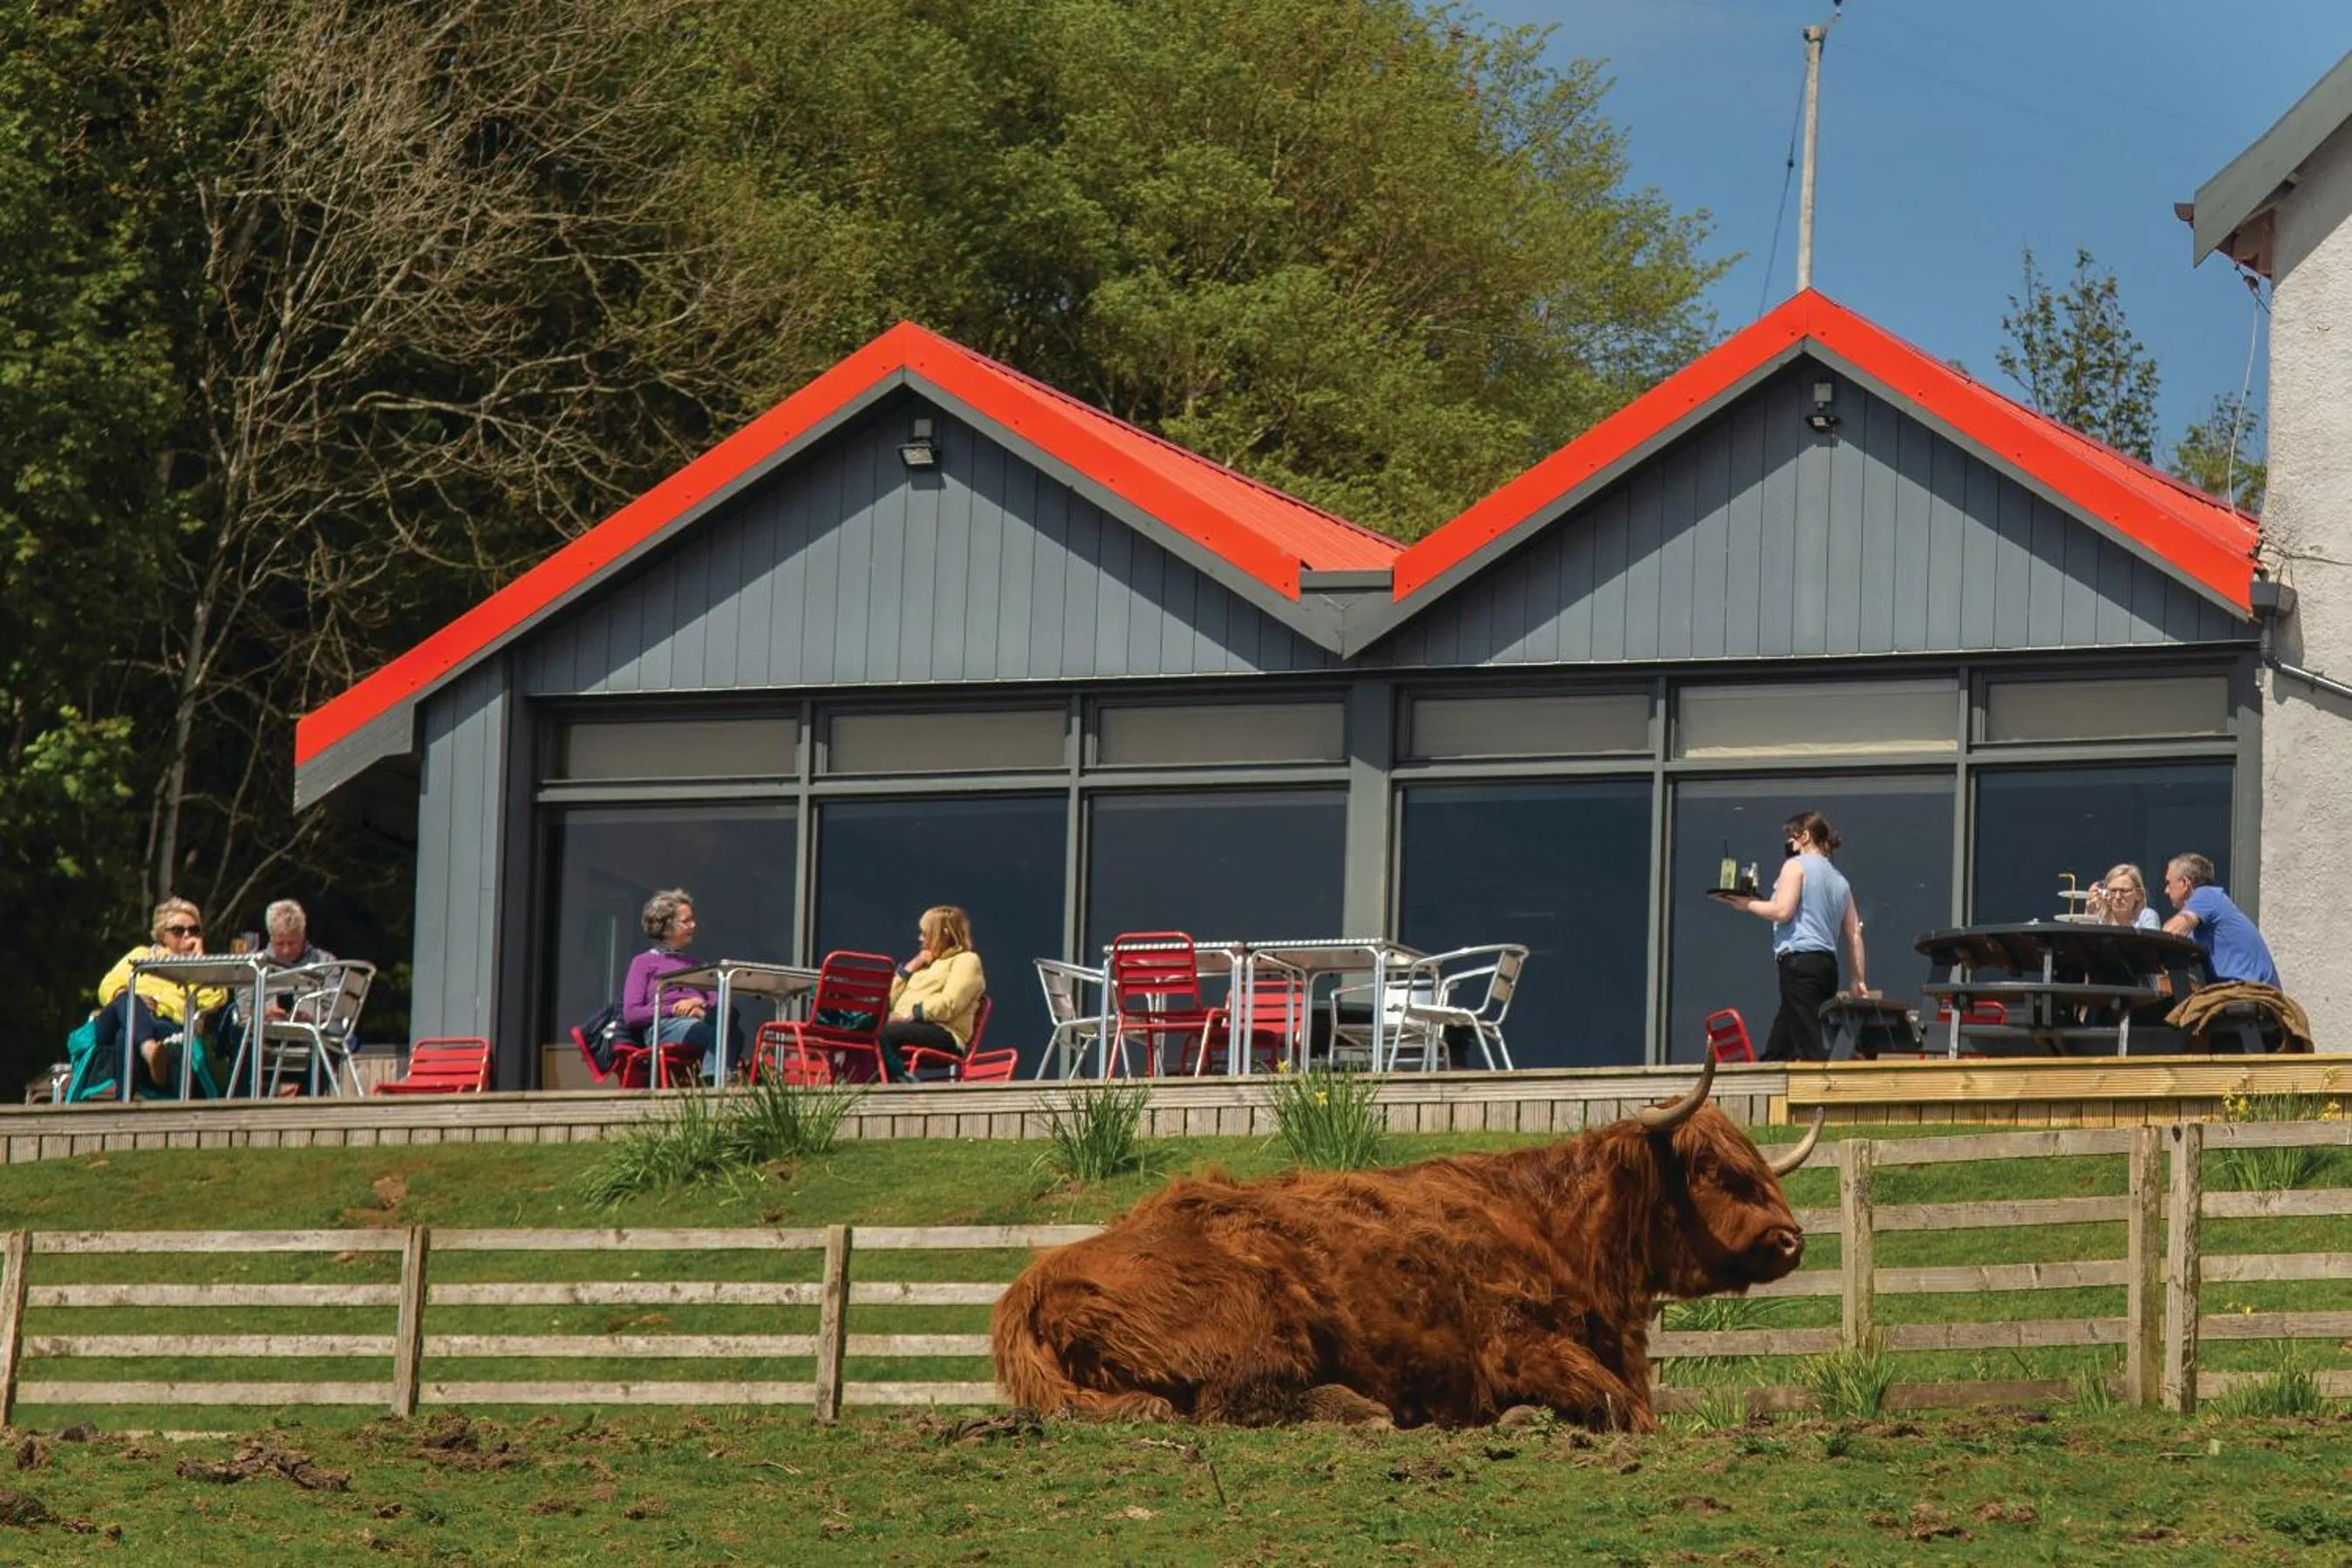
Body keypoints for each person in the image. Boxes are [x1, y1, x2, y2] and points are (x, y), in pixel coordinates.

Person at [1728, 811, 1870, 1062]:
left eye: (1792, 838)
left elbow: (1782, 911)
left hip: (1799, 962)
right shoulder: (1841, 881)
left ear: (1805, 836)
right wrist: (1858, 980)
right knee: (1784, 1037)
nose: (1789, 846)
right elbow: (1854, 933)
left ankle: (1829, 1091)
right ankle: (1769, 1068)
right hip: (1826, 966)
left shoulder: (1795, 866)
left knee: (1812, 1044)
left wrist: (1747, 904)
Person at [91, 897, 228, 1092]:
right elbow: (107, 985)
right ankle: (148, 1048)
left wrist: (199, 964)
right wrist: (131, 998)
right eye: (179, 931)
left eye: (194, 930)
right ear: (163, 934)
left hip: (164, 1025)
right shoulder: (141, 954)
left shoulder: (198, 968)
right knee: (128, 1002)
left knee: (126, 1035)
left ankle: (124, 1103)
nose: (187, 936)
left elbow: (216, 999)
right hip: (114, 1021)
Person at [622, 889, 740, 1082]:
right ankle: (714, 1081)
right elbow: (632, 1014)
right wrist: (676, 1010)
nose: (693, 925)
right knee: (724, 1032)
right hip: (664, 1026)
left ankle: (713, 1079)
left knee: (729, 1016)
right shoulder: (643, 963)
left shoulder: (696, 965)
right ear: (667, 927)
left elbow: (718, 1002)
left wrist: (696, 1004)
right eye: (686, 921)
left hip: (701, 1020)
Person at [881, 905, 987, 1080]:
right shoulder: (926, 964)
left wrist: (908, 1016)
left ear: (943, 934)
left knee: (885, 1034)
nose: (920, 938)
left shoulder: (967, 961)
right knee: (860, 1031)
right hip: (909, 1027)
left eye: (925, 933)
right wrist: (912, 965)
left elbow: (950, 1004)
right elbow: (888, 999)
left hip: (944, 1034)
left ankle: (899, 1083)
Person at [2161, 854, 2281, 987]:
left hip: (2251, 991)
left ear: (2185, 883)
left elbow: (2170, 934)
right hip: (2248, 989)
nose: (2166, 891)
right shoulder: (2207, 908)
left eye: (2169, 883)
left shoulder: (2206, 895)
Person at [2090, 863, 2163, 931]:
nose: (2118, 897)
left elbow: (2152, 943)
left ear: (2138, 894)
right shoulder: (2100, 920)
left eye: (2124, 891)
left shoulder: (2145, 916)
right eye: (2113, 891)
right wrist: (2089, 915)